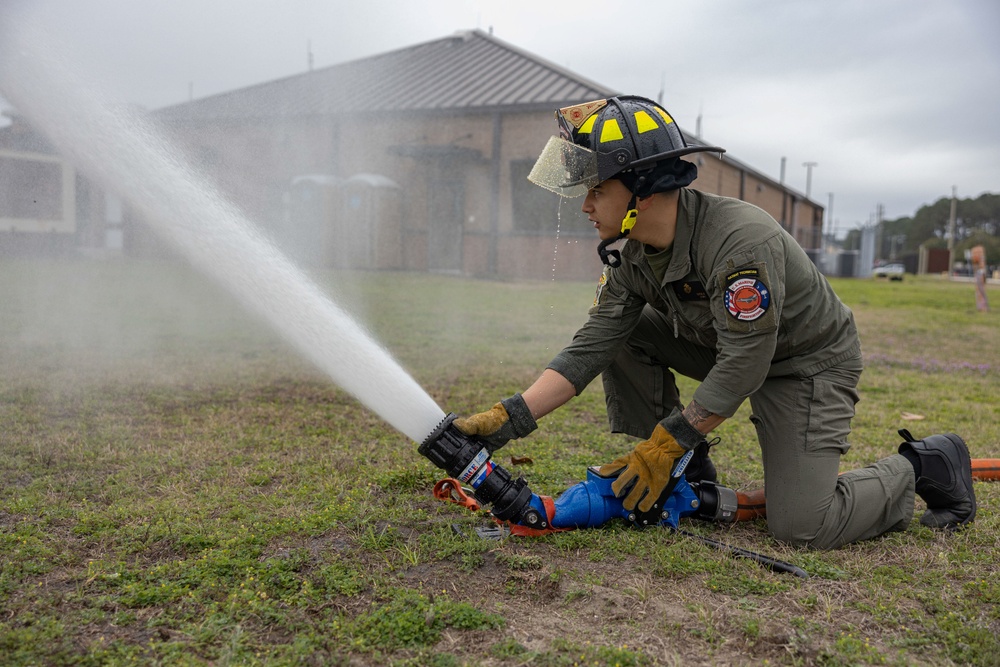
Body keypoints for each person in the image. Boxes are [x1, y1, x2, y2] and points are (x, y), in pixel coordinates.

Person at [455, 95, 975, 549]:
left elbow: (748, 361)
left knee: (804, 525)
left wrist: (666, 440)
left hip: (804, 363)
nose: (586, 204)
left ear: (643, 187)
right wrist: (508, 418)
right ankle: (686, 470)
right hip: (728, 349)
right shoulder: (631, 251)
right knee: (627, 332)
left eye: (597, 188)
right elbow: (593, 345)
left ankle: (925, 466)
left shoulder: (739, 242)